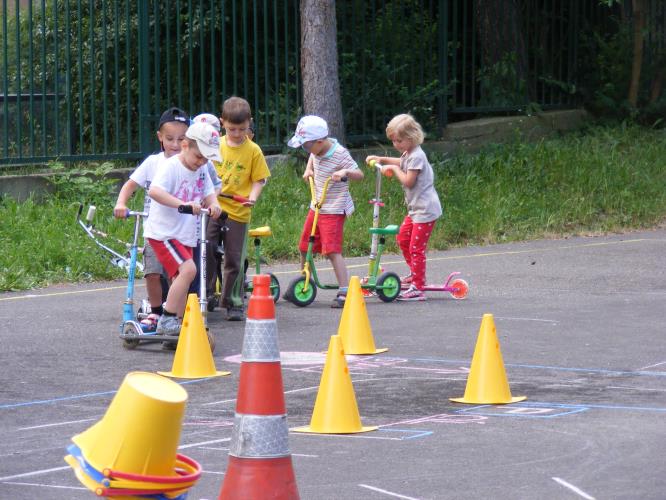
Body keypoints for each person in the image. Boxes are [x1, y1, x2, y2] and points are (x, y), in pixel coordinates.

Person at [113, 107, 189, 331]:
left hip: (179, 231)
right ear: (160, 138)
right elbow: (130, 184)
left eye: (181, 139)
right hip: (155, 230)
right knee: (152, 273)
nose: (175, 144)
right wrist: (121, 203)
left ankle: (174, 314)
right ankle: (156, 312)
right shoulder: (153, 163)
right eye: (170, 139)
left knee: (178, 276)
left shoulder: (189, 164)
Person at [145, 122, 223, 340]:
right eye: (199, 157)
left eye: (206, 159)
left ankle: (177, 327)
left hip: (186, 234)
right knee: (189, 270)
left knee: (183, 276)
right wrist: (182, 204)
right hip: (165, 233)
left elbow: (209, 191)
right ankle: (167, 318)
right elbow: (155, 191)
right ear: (185, 145)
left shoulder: (200, 171)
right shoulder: (171, 167)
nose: (202, 162)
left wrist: (214, 204)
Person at [287, 115, 364, 308]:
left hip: (335, 207)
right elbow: (313, 156)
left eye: (306, 146)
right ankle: (304, 280)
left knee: (331, 250)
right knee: (305, 245)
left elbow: (359, 174)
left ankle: (344, 289)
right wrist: (308, 170)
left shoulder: (340, 153)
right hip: (318, 205)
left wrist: (345, 173)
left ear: (320, 141)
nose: (305, 150)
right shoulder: (316, 150)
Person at [206, 96, 270, 321]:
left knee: (234, 259)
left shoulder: (253, 150)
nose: (236, 134)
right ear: (222, 122)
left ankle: (233, 301)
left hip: (239, 212)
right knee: (208, 251)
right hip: (213, 208)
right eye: (232, 129)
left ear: (249, 124)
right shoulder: (215, 146)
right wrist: (209, 197)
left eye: (242, 129)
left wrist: (252, 197)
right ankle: (207, 295)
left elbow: (259, 179)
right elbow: (204, 174)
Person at [366, 113, 442, 301]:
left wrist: (393, 170)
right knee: (403, 237)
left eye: (399, 140)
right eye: (393, 141)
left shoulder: (417, 156)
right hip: (415, 209)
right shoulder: (409, 153)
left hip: (425, 210)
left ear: (411, 137)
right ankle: (414, 275)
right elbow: (402, 162)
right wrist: (383, 159)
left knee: (416, 247)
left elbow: (408, 181)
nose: (396, 145)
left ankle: (418, 285)